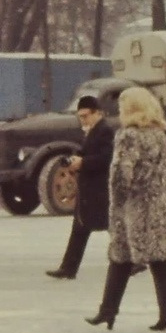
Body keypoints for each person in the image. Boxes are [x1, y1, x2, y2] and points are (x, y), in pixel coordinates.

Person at [86, 88, 166, 331]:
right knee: (159, 260)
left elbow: (122, 174)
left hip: (135, 208)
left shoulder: (128, 136)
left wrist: (118, 201)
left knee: (120, 257)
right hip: (160, 206)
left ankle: (107, 311)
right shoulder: (160, 135)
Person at [47, 96, 114, 280]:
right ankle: (68, 268)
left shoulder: (105, 131)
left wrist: (83, 162)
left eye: (86, 116)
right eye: (80, 116)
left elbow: (106, 158)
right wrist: (73, 160)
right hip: (89, 189)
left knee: (111, 226)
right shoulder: (93, 131)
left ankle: (133, 261)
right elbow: (87, 153)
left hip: (99, 189)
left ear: (97, 113)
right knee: (80, 228)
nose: (83, 120)